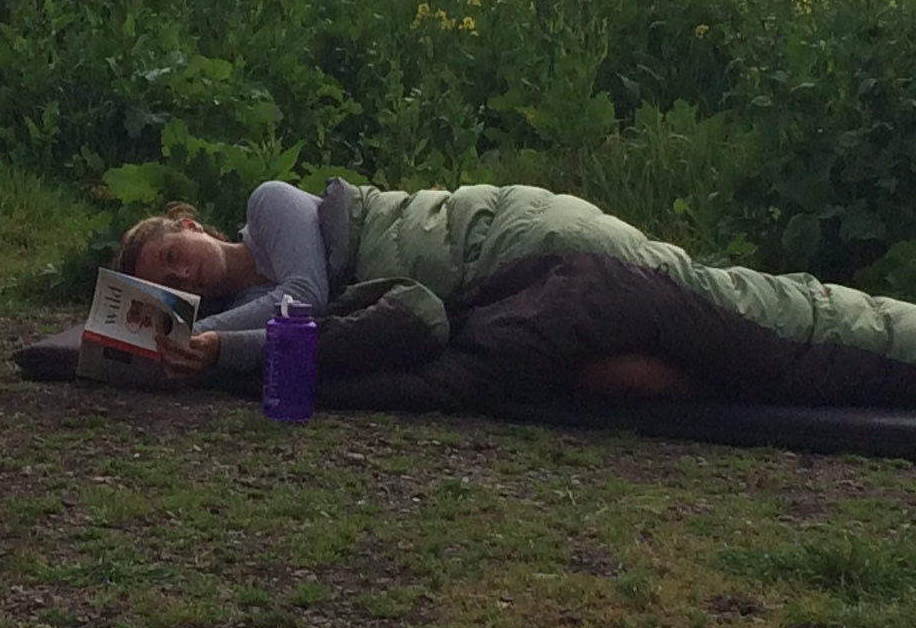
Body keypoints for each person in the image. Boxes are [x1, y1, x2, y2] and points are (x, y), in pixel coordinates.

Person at [115, 179, 916, 411]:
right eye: (167, 283)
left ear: (190, 223)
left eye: (173, 255)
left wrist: (217, 351)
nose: (181, 274)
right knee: (628, 375)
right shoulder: (237, 308)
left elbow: (302, 299)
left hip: (522, 246)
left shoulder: (272, 210)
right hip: (497, 290)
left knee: (759, 331)